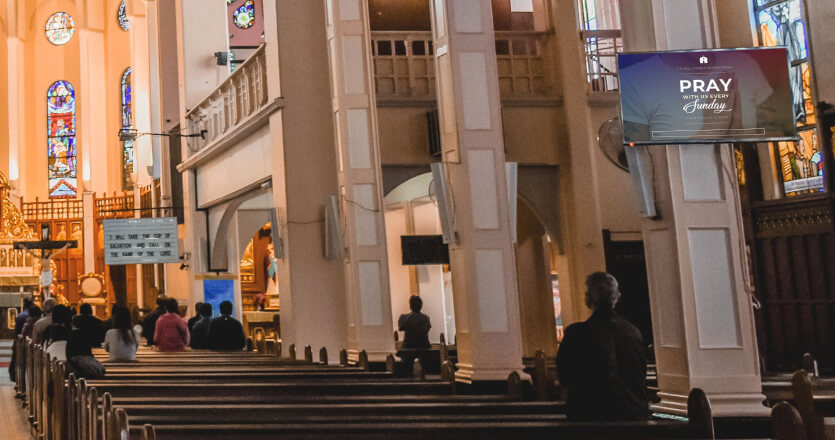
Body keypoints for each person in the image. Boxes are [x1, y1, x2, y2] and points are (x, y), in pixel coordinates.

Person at [556, 272, 649, 421]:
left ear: (588, 299)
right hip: (632, 417)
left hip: (589, 418)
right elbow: (640, 375)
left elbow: (565, 378)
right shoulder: (633, 333)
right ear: (617, 297)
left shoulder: (576, 334)